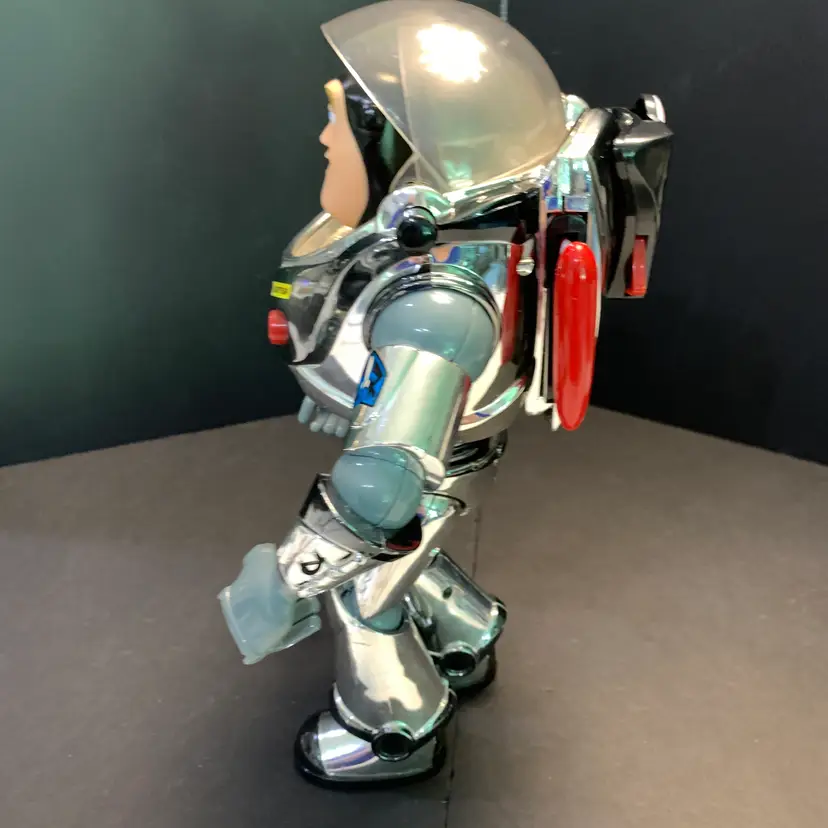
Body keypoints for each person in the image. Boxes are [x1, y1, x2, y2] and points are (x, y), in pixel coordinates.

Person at [218, 0, 672, 789]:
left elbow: (385, 482)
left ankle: (392, 728)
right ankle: (464, 634)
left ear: (416, 171)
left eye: (341, 127)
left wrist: (293, 571)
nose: (325, 140)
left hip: (425, 473)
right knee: (407, 559)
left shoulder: (434, 306)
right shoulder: (451, 267)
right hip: (449, 461)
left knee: (362, 594)